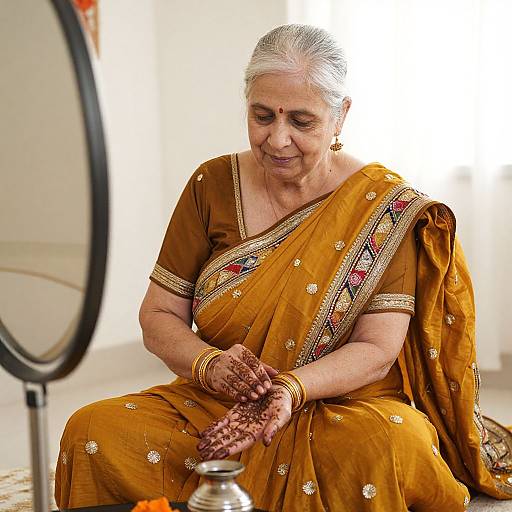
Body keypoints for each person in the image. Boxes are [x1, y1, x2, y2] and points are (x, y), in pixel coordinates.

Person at [55, 24, 512, 511]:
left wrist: (291, 389)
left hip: (343, 404)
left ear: (340, 117)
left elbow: (377, 349)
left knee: (390, 448)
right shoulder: (211, 184)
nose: (278, 138)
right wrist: (210, 366)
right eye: (262, 115)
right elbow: (159, 315)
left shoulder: (384, 209)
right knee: (92, 430)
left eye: (301, 120)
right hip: (218, 402)